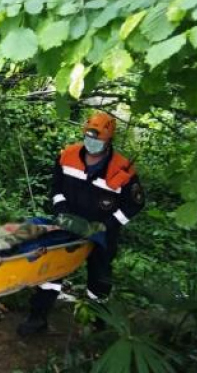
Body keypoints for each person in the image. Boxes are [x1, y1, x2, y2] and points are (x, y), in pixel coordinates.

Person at [18, 112, 145, 336]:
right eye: (88, 137)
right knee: (53, 269)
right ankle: (37, 318)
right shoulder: (67, 156)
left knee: (99, 278)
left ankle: (98, 323)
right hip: (68, 224)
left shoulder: (122, 169)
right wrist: (61, 210)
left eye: (97, 140)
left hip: (102, 232)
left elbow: (134, 205)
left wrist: (107, 225)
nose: (91, 143)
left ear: (108, 141)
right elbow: (56, 188)